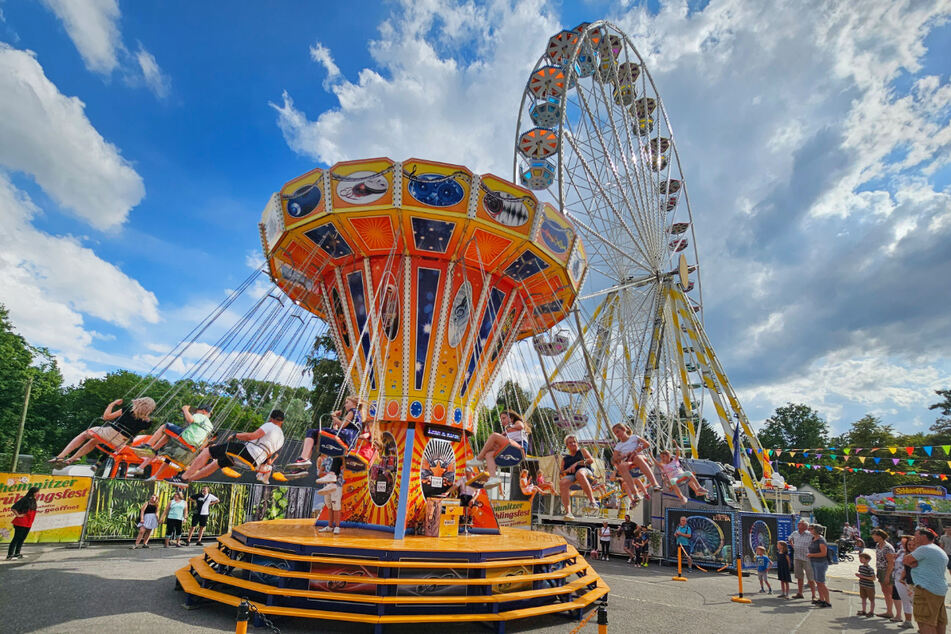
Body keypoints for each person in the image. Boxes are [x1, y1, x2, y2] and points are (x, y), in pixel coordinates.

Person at [173, 410, 285, 486]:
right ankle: (189, 480)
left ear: (271, 418)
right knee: (216, 464)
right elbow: (269, 455)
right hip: (254, 461)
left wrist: (236, 435)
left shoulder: (270, 425)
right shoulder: (282, 438)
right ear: (282, 421)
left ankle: (183, 477)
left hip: (247, 452)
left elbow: (252, 436)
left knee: (208, 451)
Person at [49, 397, 156, 465]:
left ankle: (61, 456)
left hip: (110, 433)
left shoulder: (127, 410)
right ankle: (71, 459)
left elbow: (106, 417)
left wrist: (112, 404)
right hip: (120, 442)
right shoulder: (148, 422)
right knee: (94, 441)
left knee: (85, 435)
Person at [904, 527, 949, 634]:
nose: (914, 539)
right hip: (938, 589)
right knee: (938, 620)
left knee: (925, 621)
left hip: (926, 589)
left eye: (916, 536)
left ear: (923, 537)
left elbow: (906, 560)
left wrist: (913, 562)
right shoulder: (937, 549)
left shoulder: (924, 549)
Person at [467, 411, 529, 487]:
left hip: (519, 448)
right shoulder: (506, 431)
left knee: (494, 436)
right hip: (511, 451)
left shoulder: (516, 423)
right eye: (501, 419)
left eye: (504, 418)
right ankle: (492, 477)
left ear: (511, 418)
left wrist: (509, 428)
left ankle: (479, 459)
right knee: (488, 454)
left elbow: (521, 426)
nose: (502, 421)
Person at [135, 404, 214, 462]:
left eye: (197, 411)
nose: (196, 413)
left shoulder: (202, 416)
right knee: (169, 433)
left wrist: (185, 409)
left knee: (164, 426)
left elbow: (190, 419)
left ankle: (148, 445)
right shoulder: (210, 425)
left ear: (203, 411)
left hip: (186, 437)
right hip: (193, 444)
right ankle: (154, 450)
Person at [610, 423, 660, 506]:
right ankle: (635, 494)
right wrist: (624, 455)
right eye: (615, 433)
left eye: (618, 432)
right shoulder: (618, 446)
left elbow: (646, 444)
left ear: (624, 430)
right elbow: (614, 459)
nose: (617, 435)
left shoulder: (634, 438)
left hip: (639, 457)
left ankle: (655, 484)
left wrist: (635, 451)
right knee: (621, 466)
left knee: (637, 458)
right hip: (630, 461)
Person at [558, 435, 598, 520]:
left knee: (579, 474)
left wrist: (577, 464)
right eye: (570, 442)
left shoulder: (582, 451)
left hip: (585, 471)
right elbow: (562, 473)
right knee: (562, 482)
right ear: (567, 446)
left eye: (574, 442)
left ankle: (592, 502)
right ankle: (568, 512)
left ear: (577, 443)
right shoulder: (565, 459)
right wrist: (567, 471)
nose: (573, 444)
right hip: (572, 476)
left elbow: (591, 460)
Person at [6, 486, 39, 560]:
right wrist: (18, 515)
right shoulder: (24, 499)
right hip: (21, 522)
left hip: (28, 522)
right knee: (16, 538)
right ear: (33, 492)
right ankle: (9, 555)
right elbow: (13, 508)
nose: (38, 493)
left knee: (22, 538)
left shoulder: (33, 500)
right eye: (37, 492)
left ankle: (17, 553)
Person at [871, 528, 898, 618]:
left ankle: (891, 612)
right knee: (885, 591)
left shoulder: (887, 547)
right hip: (880, 570)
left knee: (889, 592)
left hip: (887, 571)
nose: (873, 537)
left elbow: (891, 562)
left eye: (874, 535)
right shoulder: (878, 545)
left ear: (879, 536)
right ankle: (888, 611)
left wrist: (887, 575)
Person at [789, 519, 816, 601]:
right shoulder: (795, 533)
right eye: (799, 523)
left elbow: (817, 540)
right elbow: (790, 538)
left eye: (800, 524)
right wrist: (793, 545)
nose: (798, 525)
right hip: (797, 557)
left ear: (805, 526)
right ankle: (800, 593)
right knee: (799, 577)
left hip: (807, 558)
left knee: (810, 578)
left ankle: (814, 595)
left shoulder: (810, 535)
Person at [806, 523, 831, 607]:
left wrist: (811, 555)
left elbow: (823, 553)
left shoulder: (821, 540)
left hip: (820, 563)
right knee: (818, 582)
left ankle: (827, 601)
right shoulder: (813, 538)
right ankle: (821, 599)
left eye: (811, 528)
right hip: (814, 562)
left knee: (821, 582)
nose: (809, 529)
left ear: (816, 530)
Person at [893, 534, 915, 627]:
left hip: (914, 583)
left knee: (916, 604)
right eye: (907, 544)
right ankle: (908, 621)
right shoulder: (901, 552)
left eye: (912, 544)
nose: (910, 546)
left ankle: (923, 626)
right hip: (900, 579)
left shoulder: (918, 554)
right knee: (906, 601)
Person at [856, 551, 877, 617]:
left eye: (862, 558)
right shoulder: (861, 567)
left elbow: (873, 578)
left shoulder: (870, 569)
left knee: (871, 599)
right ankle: (864, 610)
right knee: (863, 598)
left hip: (869, 586)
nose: (860, 560)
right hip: (862, 585)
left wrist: (863, 577)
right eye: (860, 558)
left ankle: (871, 611)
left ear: (867, 560)